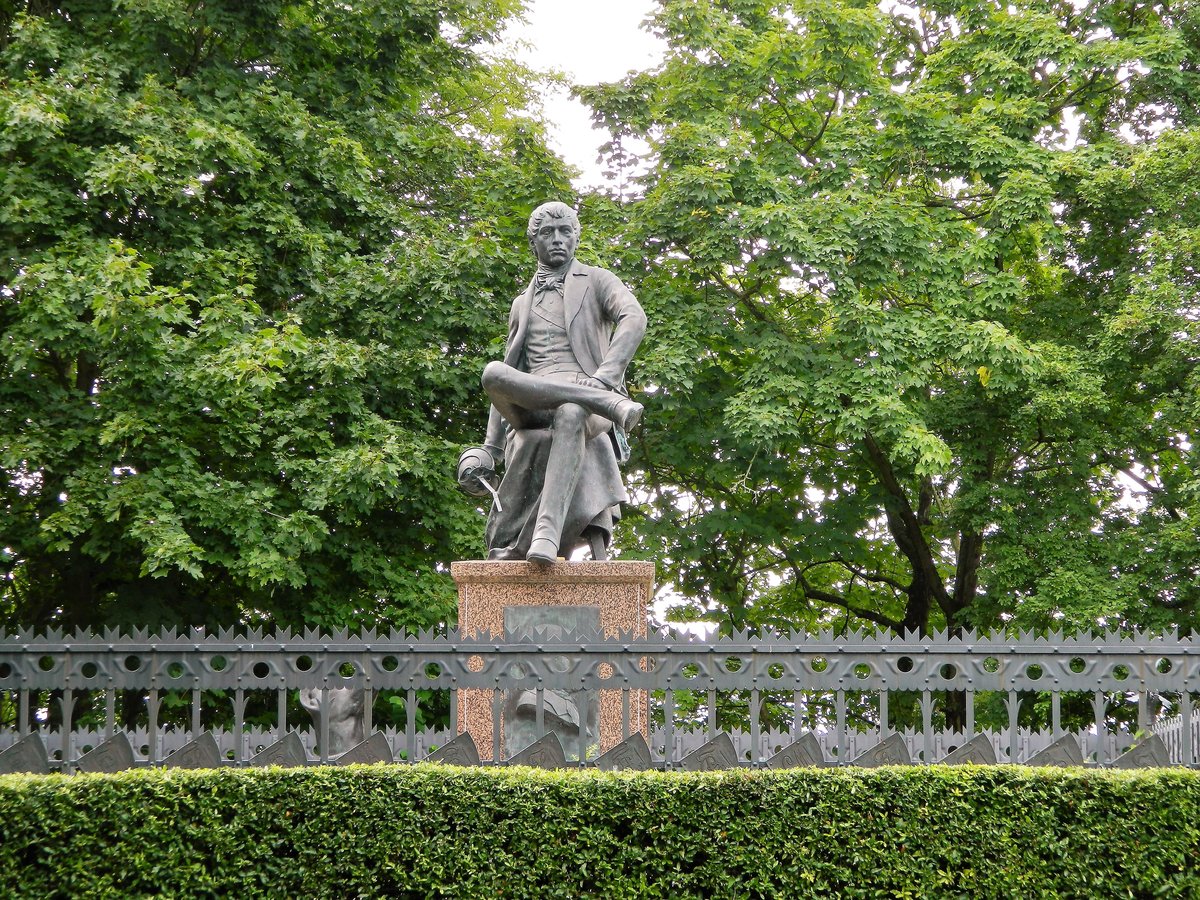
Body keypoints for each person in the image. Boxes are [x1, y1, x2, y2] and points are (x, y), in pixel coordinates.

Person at [461, 201, 646, 564]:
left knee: (572, 412)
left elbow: (634, 318)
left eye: (565, 232)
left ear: (576, 237)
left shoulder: (597, 280)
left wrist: (604, 379)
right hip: (533, 403)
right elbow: (513, 369)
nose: (557, 239)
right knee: (494, 373)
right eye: (547, 233)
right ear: (534, 243)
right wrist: (489, 449)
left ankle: (545, 533)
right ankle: (606, 403)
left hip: (588, 398)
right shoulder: (521, 303)